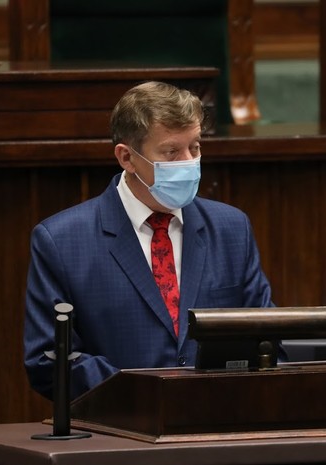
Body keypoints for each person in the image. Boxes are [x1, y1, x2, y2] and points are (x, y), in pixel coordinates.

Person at [24, 81, 275, 400]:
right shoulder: (61, 241)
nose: (188, 162)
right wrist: (146, 396)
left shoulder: (231, 229)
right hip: (118, 423)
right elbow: (49, 358)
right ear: (127, 157)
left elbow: (268, 338)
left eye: (195, 147)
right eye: (171, 152)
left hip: (219, 416)